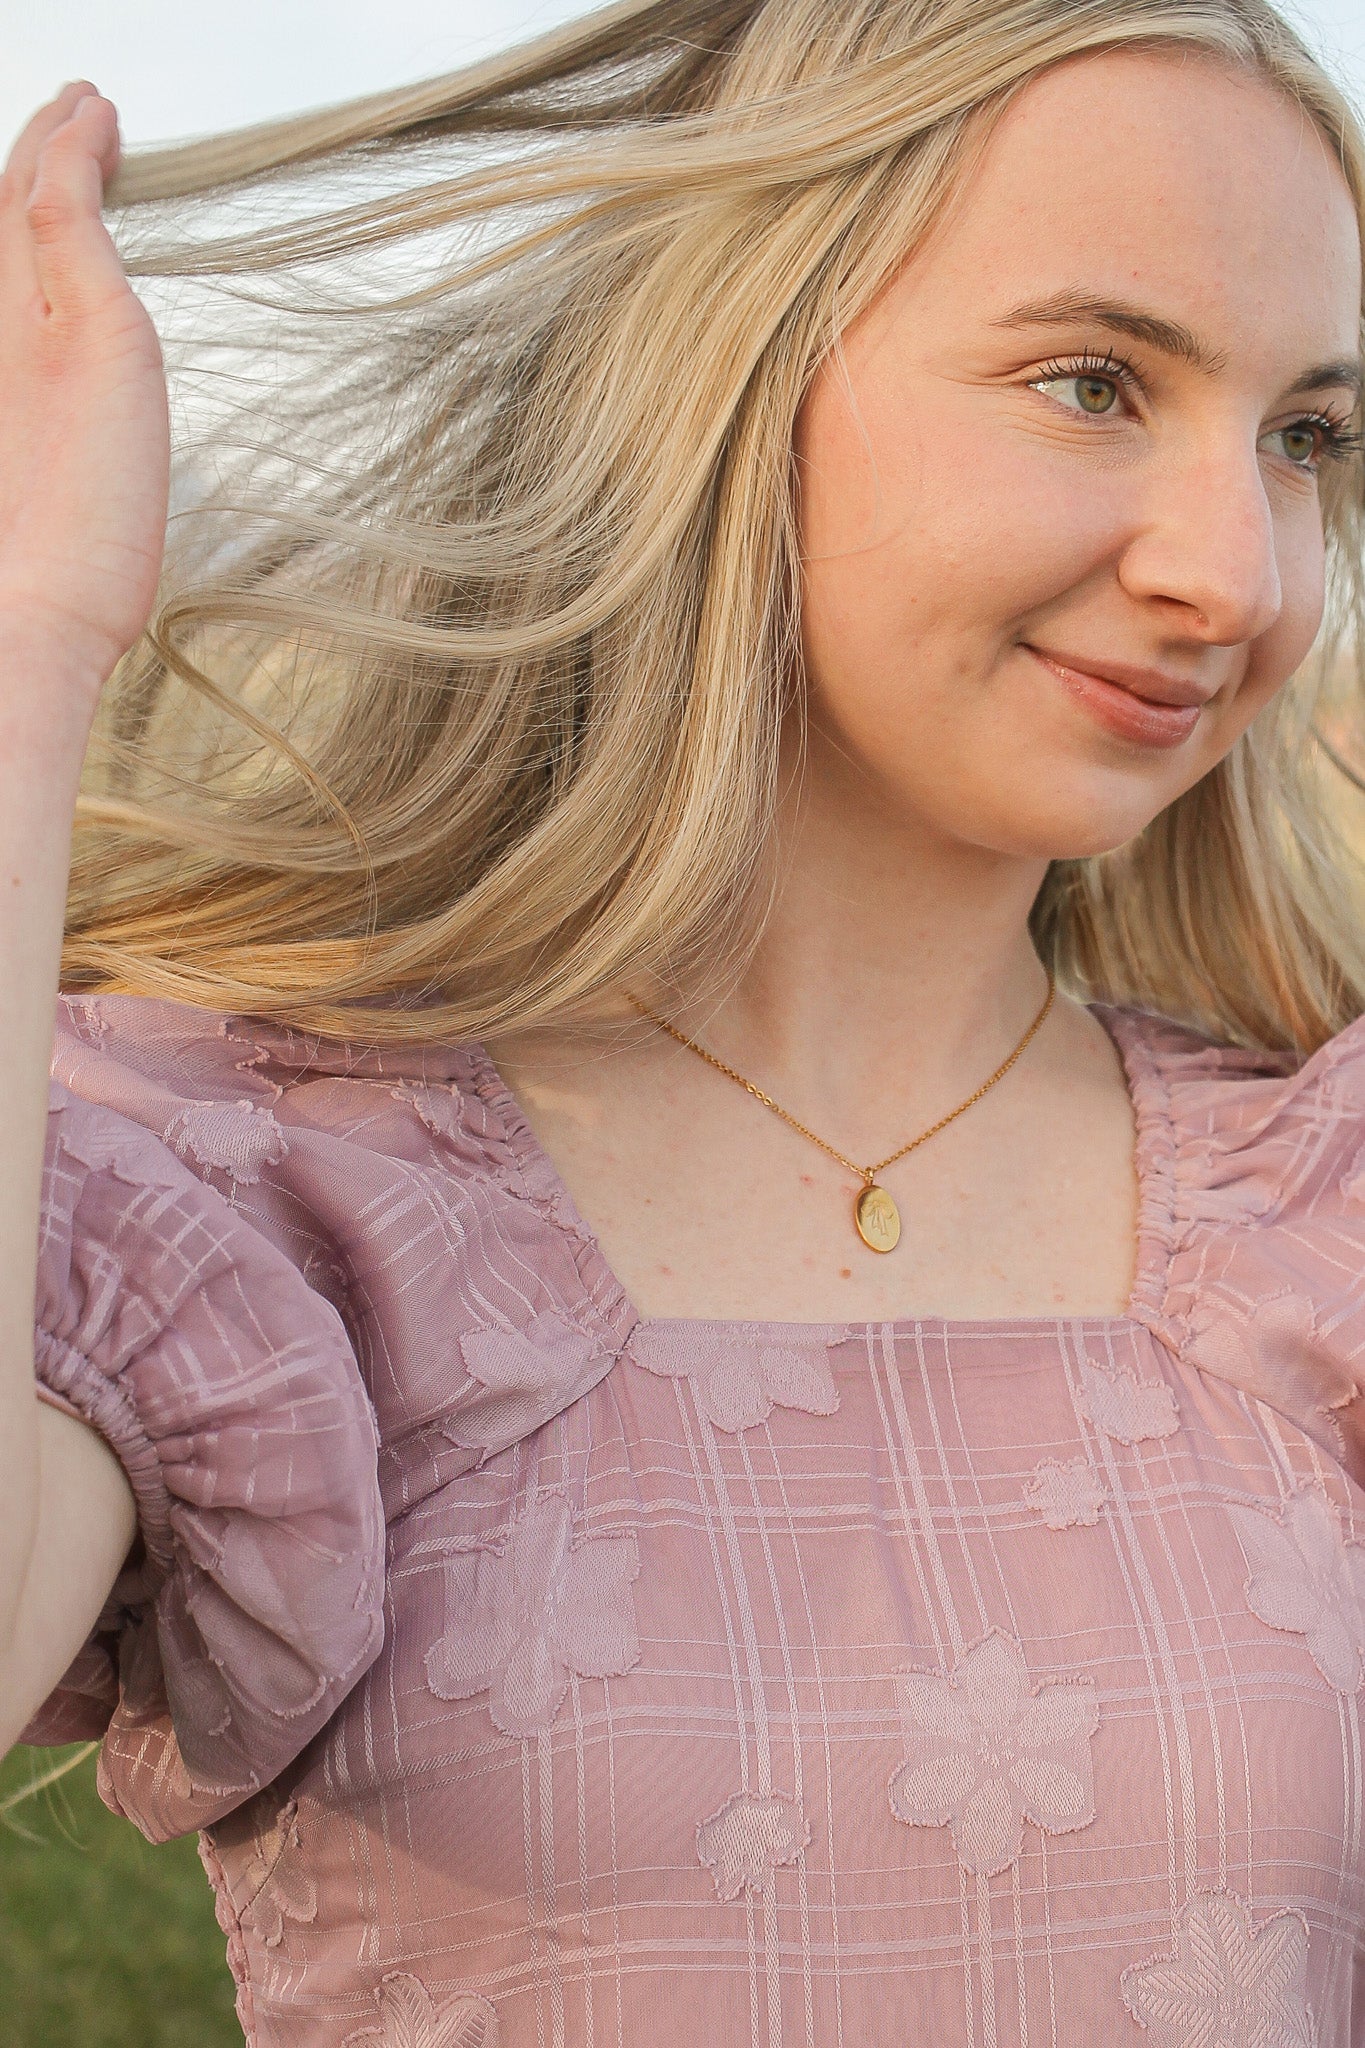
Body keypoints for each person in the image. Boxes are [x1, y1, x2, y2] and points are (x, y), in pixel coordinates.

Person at [2, 0, 1365, 2037]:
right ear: (733, 383)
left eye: (1305, 436)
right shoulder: (265, 1201)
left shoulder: (1316, 1219)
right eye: (1091, 382)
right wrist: (33, 640)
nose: (1231, 568)